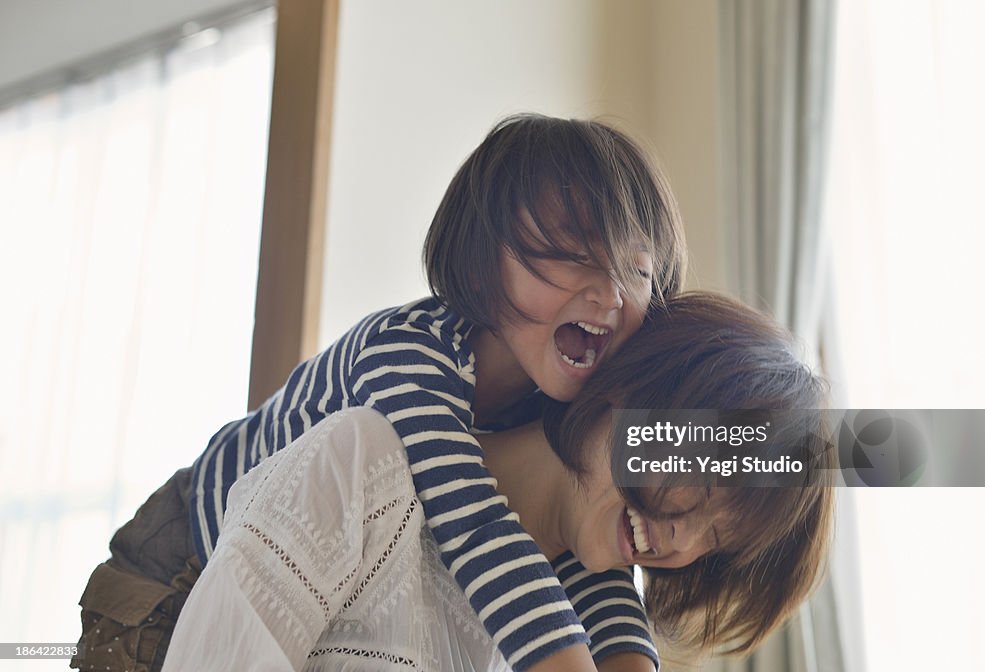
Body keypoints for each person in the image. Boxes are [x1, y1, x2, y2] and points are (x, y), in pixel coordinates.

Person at [73, 113, 686, 672]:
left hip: (306, 589)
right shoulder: (409, 355)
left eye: (637, 269)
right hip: (179, 559)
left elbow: (586, 545)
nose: (610, 293)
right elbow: (472, 520)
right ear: (480, 265)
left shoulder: (558, 400)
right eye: (575, 254)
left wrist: (631, 655)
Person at [162, 292, 836, 671]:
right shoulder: (365, 458)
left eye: (715, 538)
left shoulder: (590, 621)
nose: (681, 537)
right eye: (700, 488)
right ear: (631, 393)